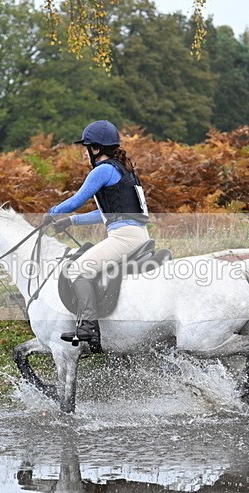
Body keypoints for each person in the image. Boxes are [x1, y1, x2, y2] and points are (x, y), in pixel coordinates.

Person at [43, 120, 150, 352]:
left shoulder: (102, 170)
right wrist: (71, 220)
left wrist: (51, 213)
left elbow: (76, 200)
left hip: (124, 237)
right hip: (137, 234)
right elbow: (104, 212)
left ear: (95, 148)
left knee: (76, 269)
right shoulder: (124, 169)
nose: (86, 152)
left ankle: (88, 326)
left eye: (87, 148)